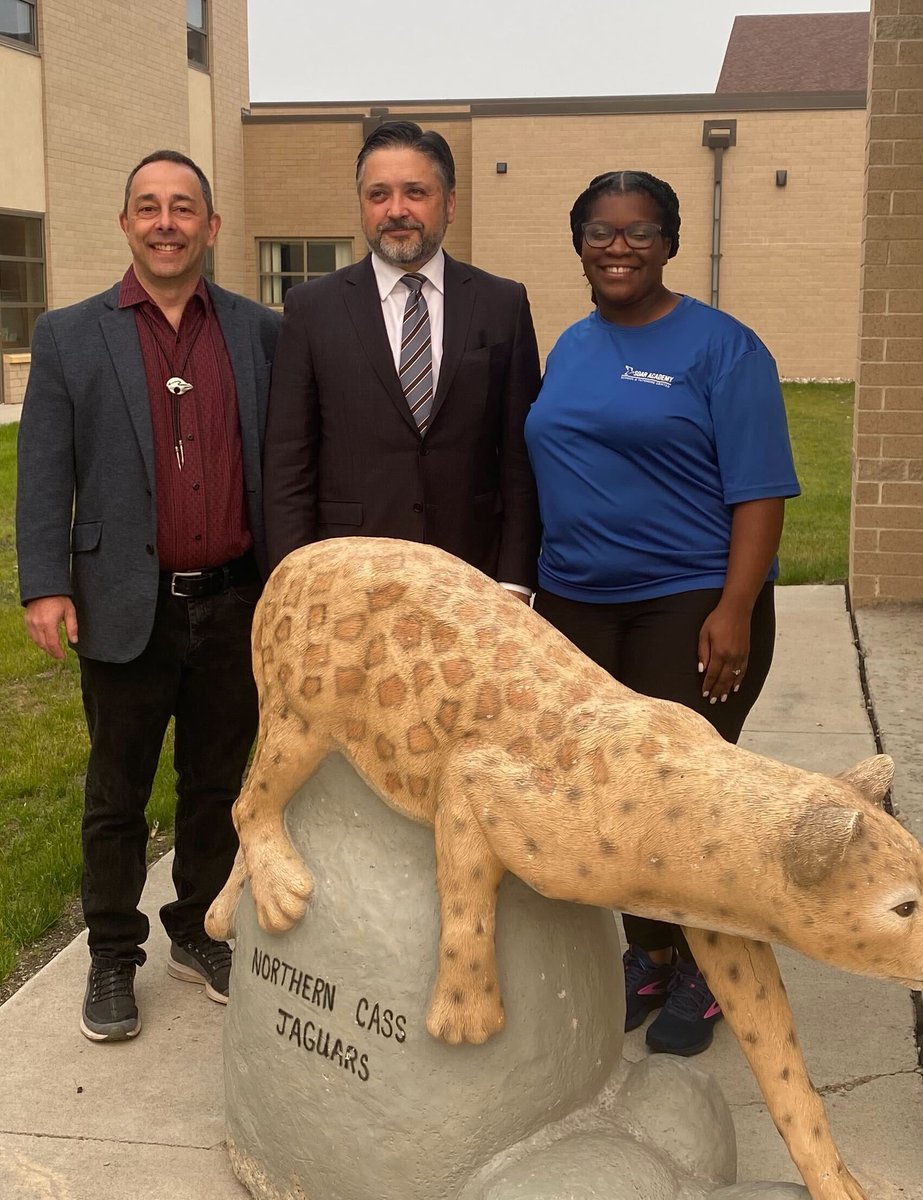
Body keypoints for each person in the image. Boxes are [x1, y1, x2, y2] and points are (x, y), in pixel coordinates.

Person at [524, 170, 800, 1057]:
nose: (618, 247)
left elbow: (761, 495)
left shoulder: (723, 348)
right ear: (579, 244)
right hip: (576, 604)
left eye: (640, 232)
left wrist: (735, 611)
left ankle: (705, 969)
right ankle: (647, 951)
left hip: (688, 603)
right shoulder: (571, 345)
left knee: (678, 803)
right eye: (600, 231)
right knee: (604, 797)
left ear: (670, 243)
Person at [16, 150, 281, 1043]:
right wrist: (45, 584)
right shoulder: (69, 334)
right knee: (116, 794)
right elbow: (45, 472)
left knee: (215, 785)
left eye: (183, 208)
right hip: (124, 600)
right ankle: (111, 955)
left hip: (235, 601)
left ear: (210, 226)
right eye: (147, 207)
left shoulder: (259, 332)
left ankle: (199, 933)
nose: (165, 222)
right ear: (125, 223)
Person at [262, 120, 541, 595]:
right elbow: (290, 460)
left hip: (472, 578)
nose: (396, 210)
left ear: (449, 203)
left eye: (415, 192)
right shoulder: (312, 308)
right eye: (378, 195)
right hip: (347, 577)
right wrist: (295, 582)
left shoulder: (503, 303)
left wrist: (514, 581)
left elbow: (519, 459)